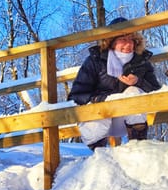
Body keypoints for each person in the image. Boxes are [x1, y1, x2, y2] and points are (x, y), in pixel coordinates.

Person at [68, 17, 161, 150]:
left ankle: (139, 148)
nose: (128, 44)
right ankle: (100, 156)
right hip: (99, 119)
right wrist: (101, 99)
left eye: (131, 40)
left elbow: (156, 92)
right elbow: (76, 96)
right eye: (123, 39)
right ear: (111, 42)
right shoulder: (95, 61)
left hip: (128, 120)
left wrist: (138, 81)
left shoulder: (141, 61)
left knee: (133, 92)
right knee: (100, 105)